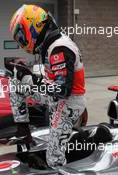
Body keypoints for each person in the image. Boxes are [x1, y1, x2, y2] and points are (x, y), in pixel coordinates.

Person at [8, 4, 86, 168]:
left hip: (69, 102)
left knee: (54, 158)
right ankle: (23, 131)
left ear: (33, 27)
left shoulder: (59, 48)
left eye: (21, 37)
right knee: (16, 79)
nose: (21, 43)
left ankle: (59, 168)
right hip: (57, 97)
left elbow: (62, 90)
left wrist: (32, 79)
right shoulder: (50, 45)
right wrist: (25, 73)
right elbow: (53, 82)